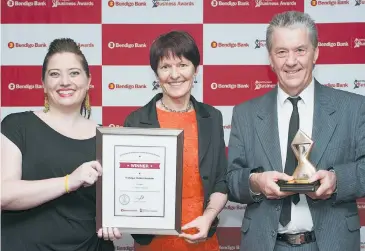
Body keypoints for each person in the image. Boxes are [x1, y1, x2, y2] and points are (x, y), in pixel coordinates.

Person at [226, 11, 365, 251]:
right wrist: (256, 182)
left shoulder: (353, 108)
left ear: (316, 53)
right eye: (282, 52)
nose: (291, 61)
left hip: (332, 243)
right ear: (270, 58)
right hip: (265, 244)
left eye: (300, 50)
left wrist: (336, 180)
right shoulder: (245, 113)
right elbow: (230, 180)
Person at [1, 38, 120, 251]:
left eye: (74, 73)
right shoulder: (17, 125)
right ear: (44, 84)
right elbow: (4, 194)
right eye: (54, 74)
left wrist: (116, 215)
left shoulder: (109, 138)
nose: (65, 81)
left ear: (88, 80)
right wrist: (68, 181)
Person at [122, 30, 228, 251]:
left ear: (195, 69)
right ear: (156, 74)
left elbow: (220, 180)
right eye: (165, 67)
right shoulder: (136, 121)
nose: (174, 74)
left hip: (202, 238)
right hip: (154, 242)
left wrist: (208, 218)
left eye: (182, 65)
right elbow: (128, 185)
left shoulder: (212, 117)